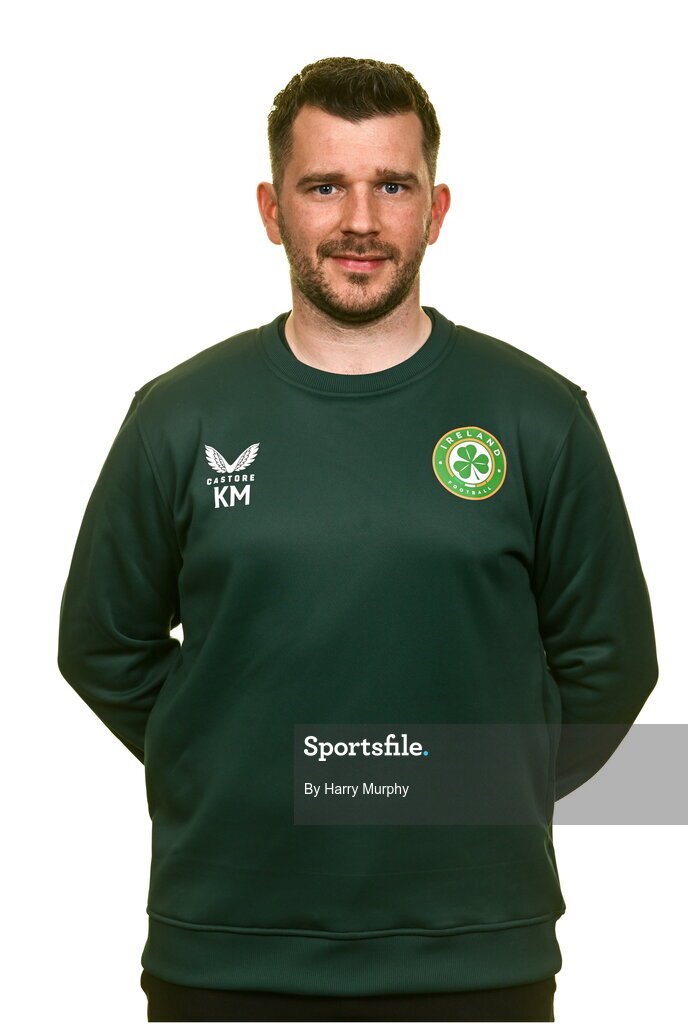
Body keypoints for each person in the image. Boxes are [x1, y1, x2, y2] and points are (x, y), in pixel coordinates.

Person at [57, 56, 658, 1023]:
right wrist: (234, 760)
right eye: (325, 186)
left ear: (437, 209)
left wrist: (455, 787)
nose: (362, 221)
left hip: (476, 954)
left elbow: (611, 664)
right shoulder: (178, 418)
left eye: (393, 186)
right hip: (226, 949)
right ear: (271, 209)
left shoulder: (539, 417)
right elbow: (101, 645)